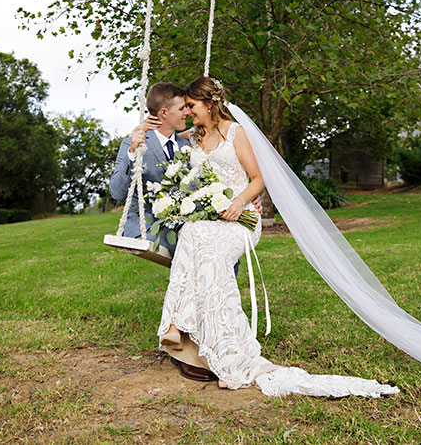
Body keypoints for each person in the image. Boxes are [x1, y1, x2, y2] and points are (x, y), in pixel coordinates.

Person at [154, 76, 400, 397]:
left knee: (209, 251)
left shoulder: (236, 133)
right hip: (211, 217)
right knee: (191, 232)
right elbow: (172, 146)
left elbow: (259, 178)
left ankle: (225, 351)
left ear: (210, 104)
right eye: (184, 107)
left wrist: (240, 200)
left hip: (242, 218)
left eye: (191, 105)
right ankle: (185, 329)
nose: (187, 112)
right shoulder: (195, 138)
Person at [109, 82, 191, 256]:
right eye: (182, 109)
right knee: (193, 249)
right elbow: (117, 193)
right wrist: (132, 153)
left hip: (183, 226)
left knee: (217, 245)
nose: (187, 113)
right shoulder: (135, 143)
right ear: (164, 113)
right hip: (146, 228)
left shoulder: (187, 145)